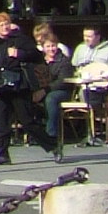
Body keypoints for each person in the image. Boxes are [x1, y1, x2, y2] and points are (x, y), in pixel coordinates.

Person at [0, 14, 40, 163]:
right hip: (1, 88)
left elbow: (37, 56)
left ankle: (53, 145)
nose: (5, 27)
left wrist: (19, 54)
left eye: (6, 24)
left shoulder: (20, 40)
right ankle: (2, 154)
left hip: (18, 87)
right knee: (1, 122)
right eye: (1, 25)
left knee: (27, 121)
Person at [32, 20, 74, 160]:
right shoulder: (39, 61)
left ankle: (52, 135)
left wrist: (44, 90)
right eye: (48, 46)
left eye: (53, 46)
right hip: (41, 90)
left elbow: (62, 81)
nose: (51, 49)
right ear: (43, 48)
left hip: (61, 91)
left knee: (51, 98)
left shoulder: (64, 61)